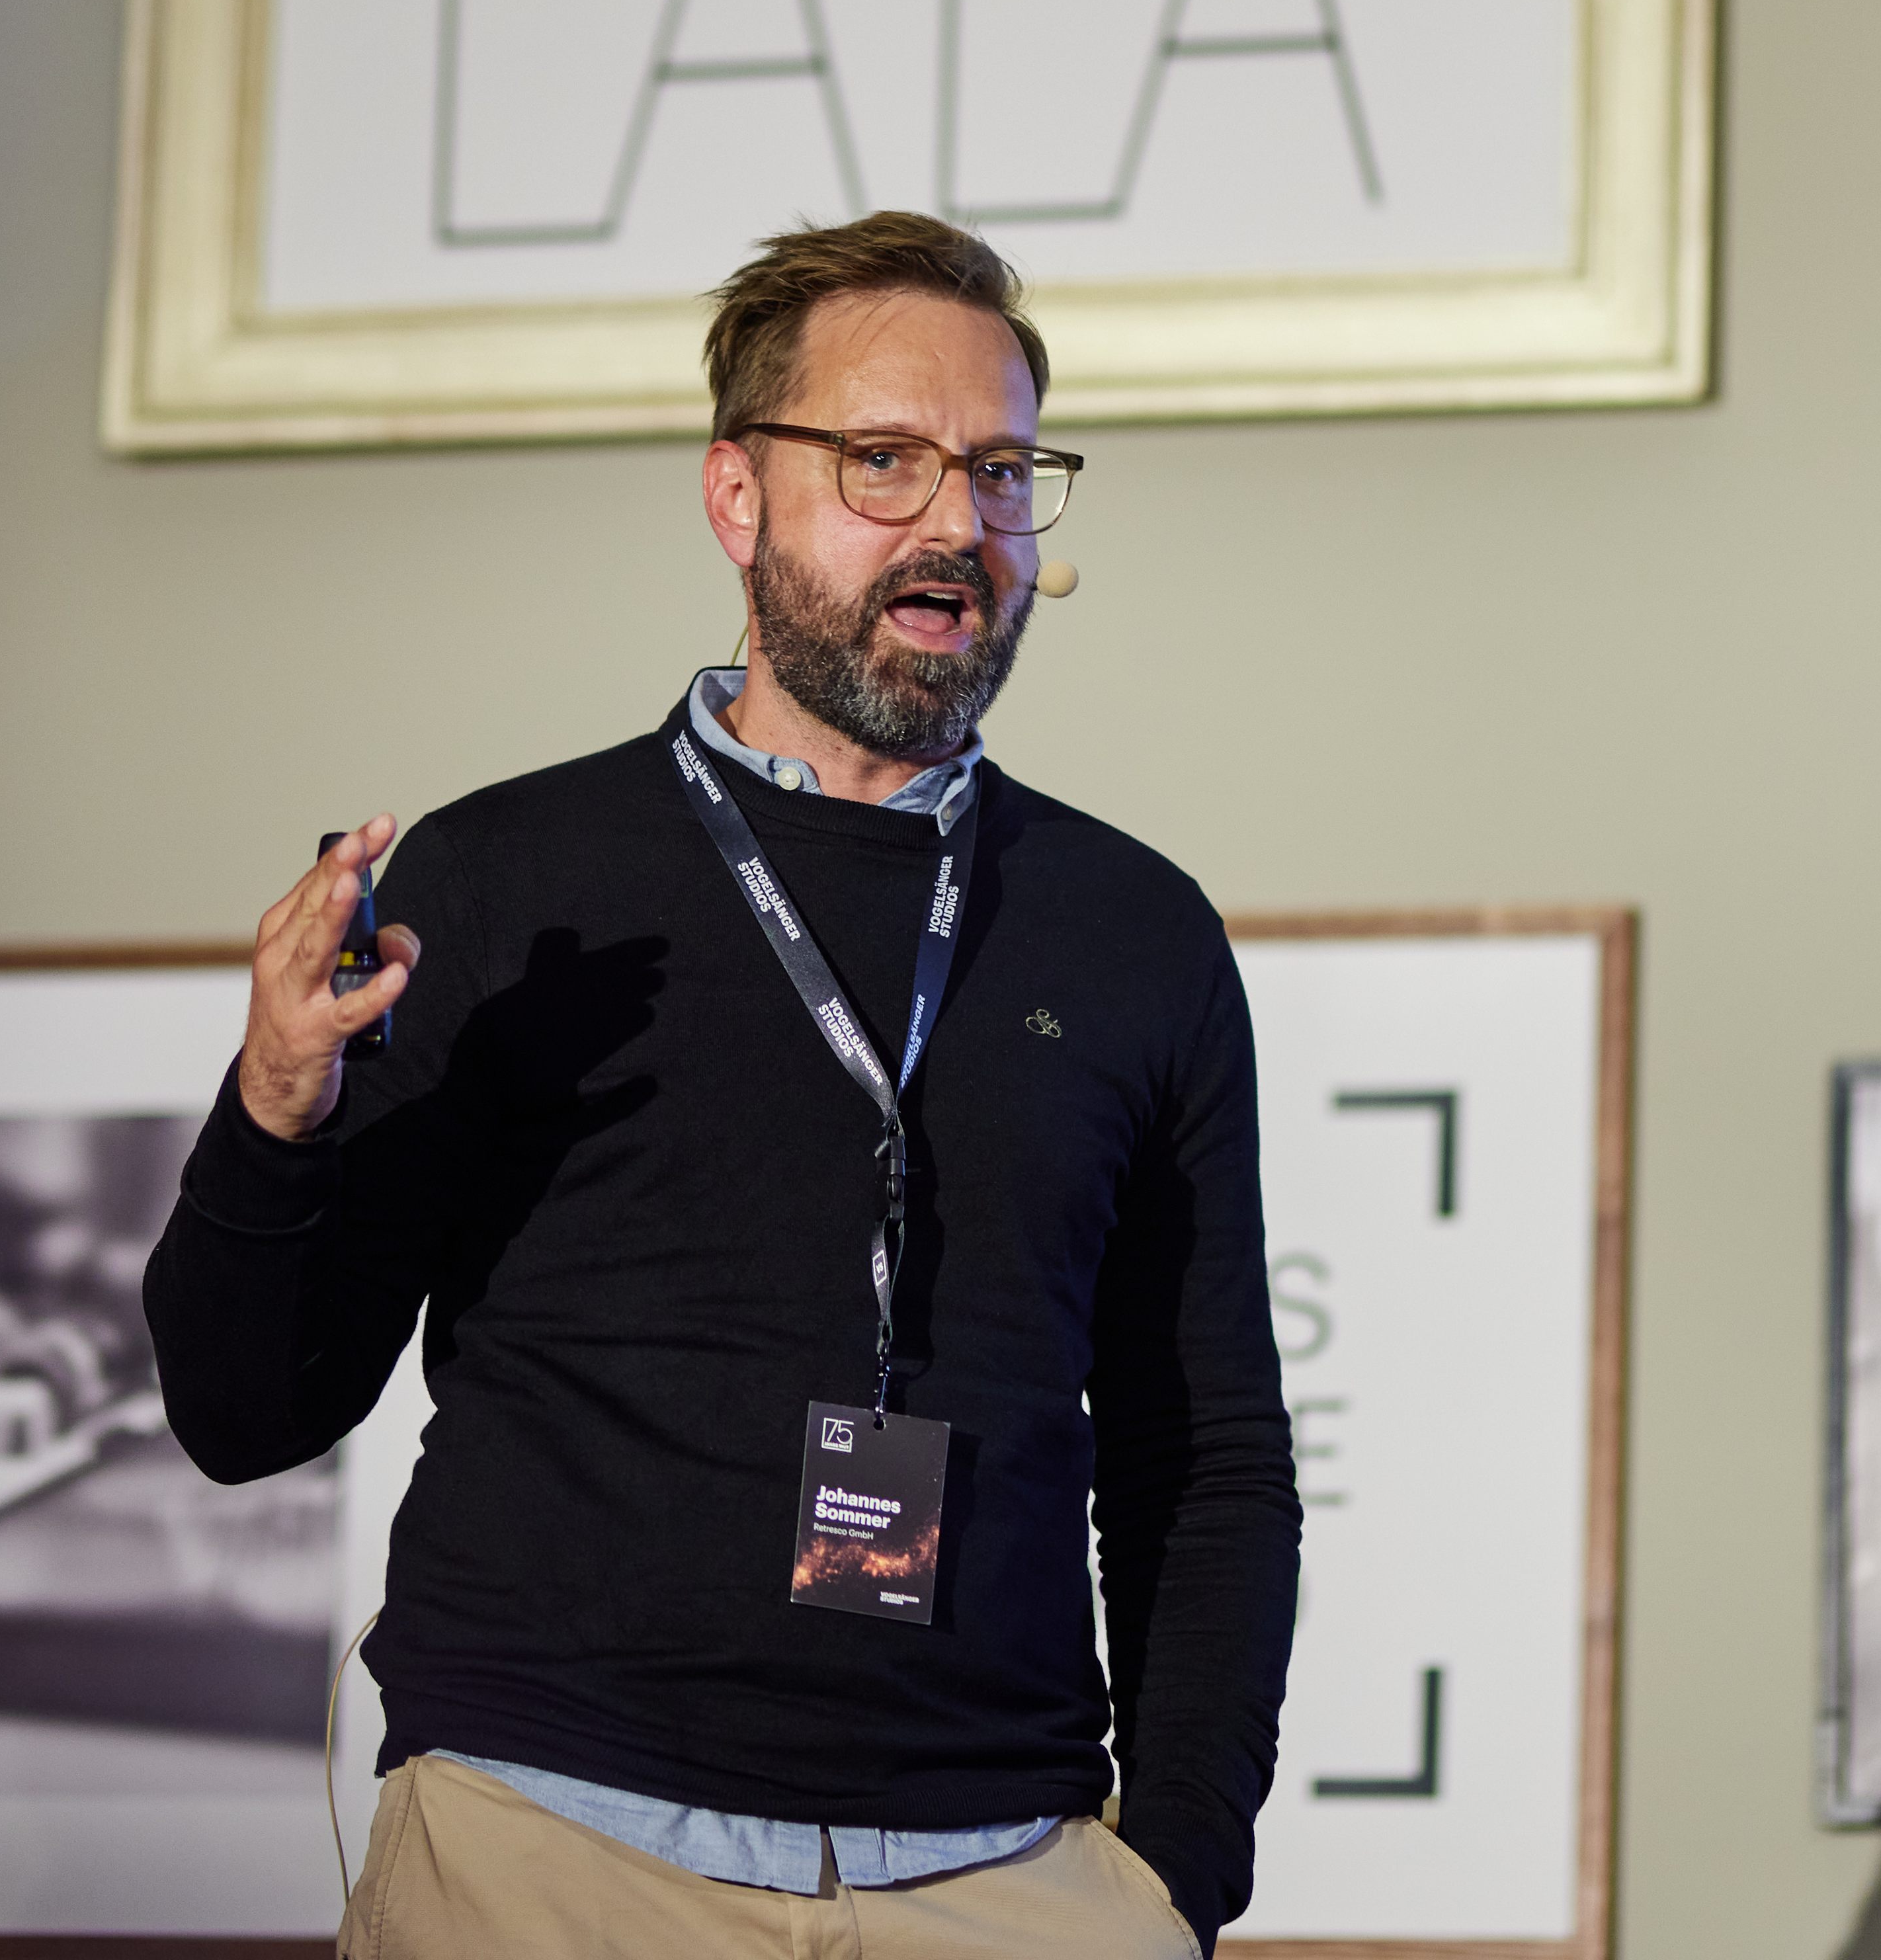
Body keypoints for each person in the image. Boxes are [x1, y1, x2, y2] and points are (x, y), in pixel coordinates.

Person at [145, 214, 1294, 1958]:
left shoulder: (1134, 933)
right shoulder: (516, 882)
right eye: (884, 460)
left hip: (1005, 1877)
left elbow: (1200, 1454)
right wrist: (276, 1109)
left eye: (999, 470)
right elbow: (249, 1413)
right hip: (550, 1859)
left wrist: (1173, 1881)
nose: (954, 524)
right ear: (737, 498)